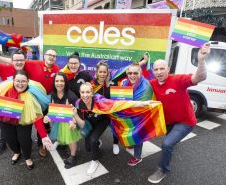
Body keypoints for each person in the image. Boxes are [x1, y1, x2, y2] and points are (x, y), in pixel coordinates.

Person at [147, 43, 210, 183]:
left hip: (185, 121)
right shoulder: (152, 84)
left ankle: (162, 169)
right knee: (170, 141)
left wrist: (201, 60)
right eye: (156, 69)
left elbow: (200, 77)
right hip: (168, 121)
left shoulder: (178, 80)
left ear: (168, 69)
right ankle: (171, 145)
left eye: (162, 68)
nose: (159, 72)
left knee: (167, 144)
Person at [0, 48, 60, 157]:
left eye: (54, 56)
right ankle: (10, 146)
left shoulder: (56, 68)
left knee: (40, 122)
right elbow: (17, 60)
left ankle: (40, 144)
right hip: (25, 98)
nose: (51, 57)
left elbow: (37, 117)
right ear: (44, 56)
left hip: (45, 98)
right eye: (49, 54)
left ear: (56, 58)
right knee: (9, 126)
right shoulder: (35, 63)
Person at [72, 82, 155, 175]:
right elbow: (83, 125)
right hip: (90, 123)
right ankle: (97, 142)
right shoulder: (78, 103)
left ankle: (95, 160)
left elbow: (121, 104)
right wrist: (75, 115)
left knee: (92, 140)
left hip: (102, 120)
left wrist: (142, 103)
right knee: (88, 148)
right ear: (79, 92)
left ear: (92, 93)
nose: (85, 95)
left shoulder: (100, 101)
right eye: (83, 92)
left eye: (88, 92)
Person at [0, 70, 53, 170]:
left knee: (25, 141)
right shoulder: (5, 89)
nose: (20, 84)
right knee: (10, 139)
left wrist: (43, 136)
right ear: (13, 80)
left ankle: (27, 157)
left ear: (28, 81)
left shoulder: (30, 96)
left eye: (23, 81)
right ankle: (17, 152)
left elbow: (37, 117)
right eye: (17, 81)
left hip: (23, 122)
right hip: (5, 121)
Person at [43, 72, 82, 169]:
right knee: (61, 132)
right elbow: (51, 111)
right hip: (59, 120)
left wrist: (73, 121)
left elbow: (79, 112)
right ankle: (63, 143)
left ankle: (73, 155)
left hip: (71, 121)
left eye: (62, 81)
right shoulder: (53, 94)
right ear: (54, 82)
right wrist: (47, 117)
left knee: (70, 138)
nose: (59, 83)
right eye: (57, 81)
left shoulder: (71, 96)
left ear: (65, 82)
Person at [121, 63, 154, 166]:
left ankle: (137, 157)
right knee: (129, 130)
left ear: (140, 73)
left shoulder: (146, 85)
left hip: (141, 114)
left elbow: (144, 105)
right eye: (130, 73)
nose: (132, 75)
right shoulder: (125, 82)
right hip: (128, 113)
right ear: (127, 73)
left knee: (138, 133)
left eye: (135, 73)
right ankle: (132, 143)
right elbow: (121, 98)